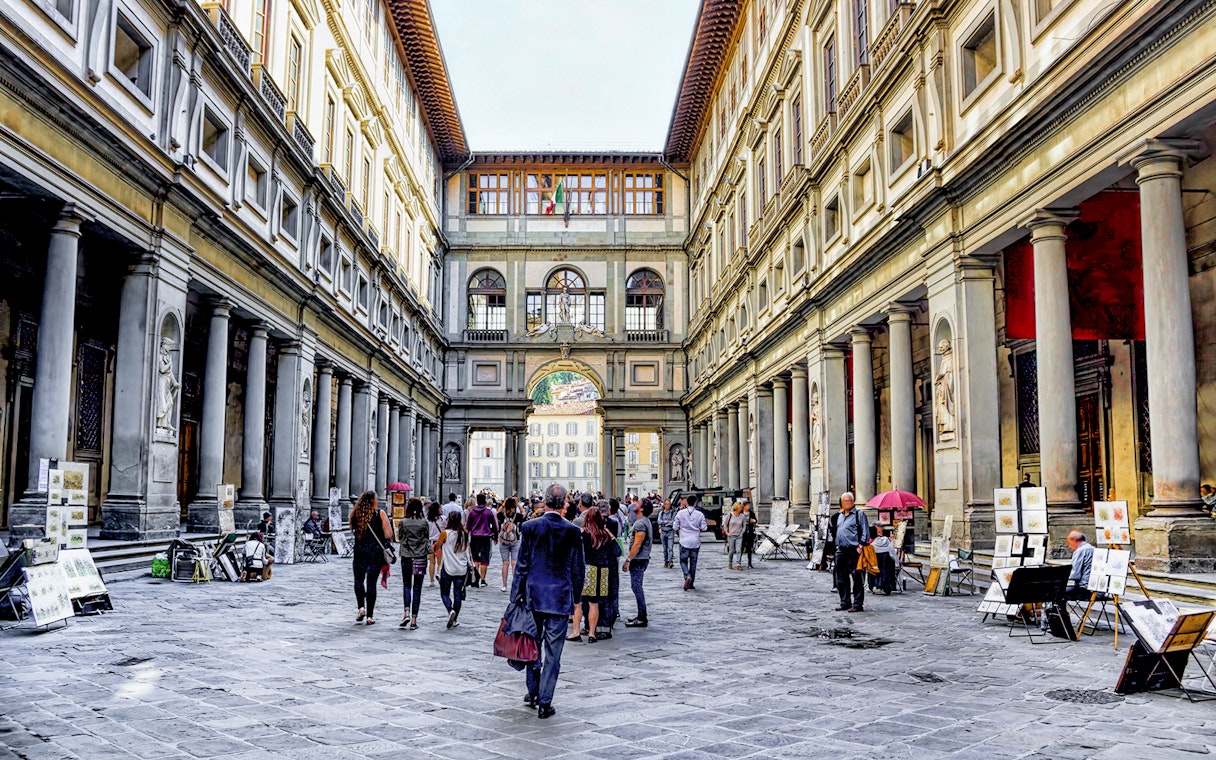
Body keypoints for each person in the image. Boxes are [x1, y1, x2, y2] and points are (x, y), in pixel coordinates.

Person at [512, 484, 584, 719]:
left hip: (534, 597)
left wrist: (515, 597)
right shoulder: (573, 531)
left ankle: (533, 692)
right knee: (554, 653)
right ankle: (545, 701)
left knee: (532, 647)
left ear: (544, 502)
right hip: (560, 597)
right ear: (565, 504)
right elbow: (577, 569)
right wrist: (576, 597)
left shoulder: (530, 527)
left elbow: (522, 566)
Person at [349, 490, 393, 626]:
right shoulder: (380, 514)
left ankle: (361, 607)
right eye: (376, 499)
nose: (378, 501)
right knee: (371, 583)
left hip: (360, 552)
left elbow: (354, 531)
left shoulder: (355, 515)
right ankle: (370, 616)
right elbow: (388, 534)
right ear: (372, 501)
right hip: (375, 553)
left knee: (358, 580)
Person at [570, 508, 614, 644]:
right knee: (594, 604)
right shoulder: (604, 535)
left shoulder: (583, 534)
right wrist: (610, 534)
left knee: (578, 603)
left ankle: (576, 632)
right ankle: (592, 634)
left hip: (587, 569)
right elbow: (616, 551)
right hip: (602, 571)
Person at [831, 492, 870, 612]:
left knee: (857, 577)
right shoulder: (840, 515)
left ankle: (858, 604)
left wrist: (861, 545)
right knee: (841, 578)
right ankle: (845, 602)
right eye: (844, 501)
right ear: (841, 503)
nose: (847, 503)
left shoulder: (859, 514)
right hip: (841, 550)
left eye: (849, 501)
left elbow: (865, 530)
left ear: (853, 502)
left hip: (854, 550)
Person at [397, 498, 430, 630]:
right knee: (417, 588)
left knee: (406, 585)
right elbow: (426, 538)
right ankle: (414, 620)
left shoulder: (403, 522)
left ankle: (406, 613)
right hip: (420, 556)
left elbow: (400, 538)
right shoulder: (424, 522)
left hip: (406, 556)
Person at [433, 512, 471, 628]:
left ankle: (450, 610)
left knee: (444, 593)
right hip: (461, 568)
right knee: (457, 594)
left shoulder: (445, 533)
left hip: (448, 567)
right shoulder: (465, 533)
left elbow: (436, 547)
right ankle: (455, 619)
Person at [623, 500, 653, 627]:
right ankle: (641, 615)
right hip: (642, 558)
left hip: (638, 559)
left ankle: (642, 617)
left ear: (641, 509)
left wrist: (628, 559)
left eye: (638, 503)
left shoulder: (640, 523)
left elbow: (637, 543)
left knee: (636, 587)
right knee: (637, 587)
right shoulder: (644, 521)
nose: (635, 504)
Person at [673, 494, 708, 590]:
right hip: (695, 541)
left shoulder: (680, 513)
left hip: (684, 540)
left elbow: (675, 527)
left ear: (687, 502)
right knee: (693, 563)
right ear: (695, 503)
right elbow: (704, 528)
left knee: (683, 561)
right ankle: (691, 582)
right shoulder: (700, 514)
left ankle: (686, 575)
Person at [466, 493, 499, 588]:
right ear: (485, 501)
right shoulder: (488, 512)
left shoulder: (472, 512)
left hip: (475, 537)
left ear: (477, 501)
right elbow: (494, 525)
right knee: (484, 559)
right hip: (485, 537)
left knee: (475, 558)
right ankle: (483, 580)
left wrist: (465, 537)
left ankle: (475, 579)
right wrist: (496, 537)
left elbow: (468, 526)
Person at [498, 498, 522, 592]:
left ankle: (504, 585)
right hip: (515, 541)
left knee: (505, 563)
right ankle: (515, 584)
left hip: (503, 541)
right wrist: (519, 505)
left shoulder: (501, 515)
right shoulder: (518, 516)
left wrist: (503, 504)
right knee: (514, 563)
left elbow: (496, 513)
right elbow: (524, 514)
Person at [1064, 530, 1095, 600]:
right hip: (1096, 589)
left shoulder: (1080, 551)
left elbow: (1075, 574)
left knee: (1057, 592)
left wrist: (1060, 577)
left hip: (1085, 589)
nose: (1069, 546)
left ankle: (1061, 610)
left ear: (1074, 540)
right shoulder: (1093, 548)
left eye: (1069, 543)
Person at [869, 526, 898, 595]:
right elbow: (893, 553)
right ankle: (887, 587)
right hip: (889, 566)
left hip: (877, 567)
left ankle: (876, 586)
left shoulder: (872, 546)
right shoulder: (886, 540)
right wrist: (897, 564)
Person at [724, 502, 746, 571]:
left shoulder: (742, 516)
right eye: (740, 508)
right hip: (731, 535)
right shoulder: (730, 515)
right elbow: (725, 524)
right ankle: (730, 562)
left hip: (739, 535)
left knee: (739, 550)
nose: (741, 509)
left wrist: (742, 532)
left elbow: (744, 525)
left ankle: (738, 564)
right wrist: (727, 532)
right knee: (731, 550)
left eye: (741, 508)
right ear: (736, 508)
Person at [426, 501, 444, 586]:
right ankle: (438, 573)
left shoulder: (427, 520)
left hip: (430, 543)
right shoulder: (442, 519)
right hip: (439, 543)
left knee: (432, 562)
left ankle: (431, 581)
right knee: (440, 562)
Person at [656, 499, 676, 568]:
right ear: (664, 505)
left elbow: (673, 522)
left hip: (670, 531)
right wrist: (666, 521)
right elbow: (659, 521)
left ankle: (670, 561)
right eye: (667, 504)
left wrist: (664, 523)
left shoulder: (672, 512)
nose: (668, 506)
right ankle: (666, 561)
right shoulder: (661, 513)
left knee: (670, 547)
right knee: (665, 548)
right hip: (663, 532)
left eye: (669, 504)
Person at [741, 503, 758, 569]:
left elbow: (755, 520)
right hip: (742, 532)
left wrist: (754, 521)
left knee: (749, 548)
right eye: (747, 505)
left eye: (749, 505)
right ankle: (739, 562)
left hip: (750, 532)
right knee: (741, 548)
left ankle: (749, 563)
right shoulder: (741, 513)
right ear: (744, 506)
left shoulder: (751, 513)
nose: (749, 506)